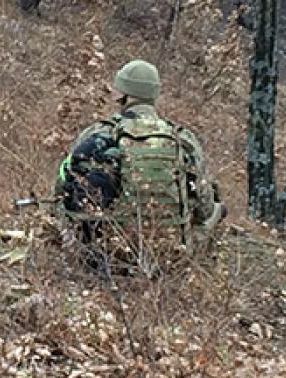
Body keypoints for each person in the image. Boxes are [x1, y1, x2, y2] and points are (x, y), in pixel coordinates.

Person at [53, 59, 221, 260]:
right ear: (154, 95)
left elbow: (62, 189)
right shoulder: (183, 138)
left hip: (109, 255)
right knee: (217, 209)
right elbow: (204, 209)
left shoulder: (98, 133)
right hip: (172, 255)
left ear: (122, 94)